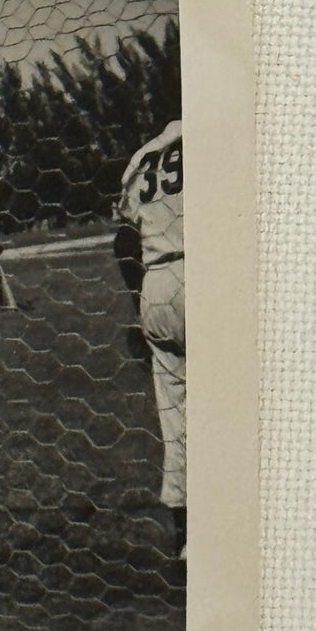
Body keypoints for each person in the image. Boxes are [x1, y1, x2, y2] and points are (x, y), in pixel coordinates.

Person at [115, 118, 185, 559]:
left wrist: (141, 300)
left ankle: (184, 538)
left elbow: (123, 239)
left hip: (157, 281)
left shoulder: (141, 158)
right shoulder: (212, 133)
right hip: (201, 266)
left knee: (176, 421)